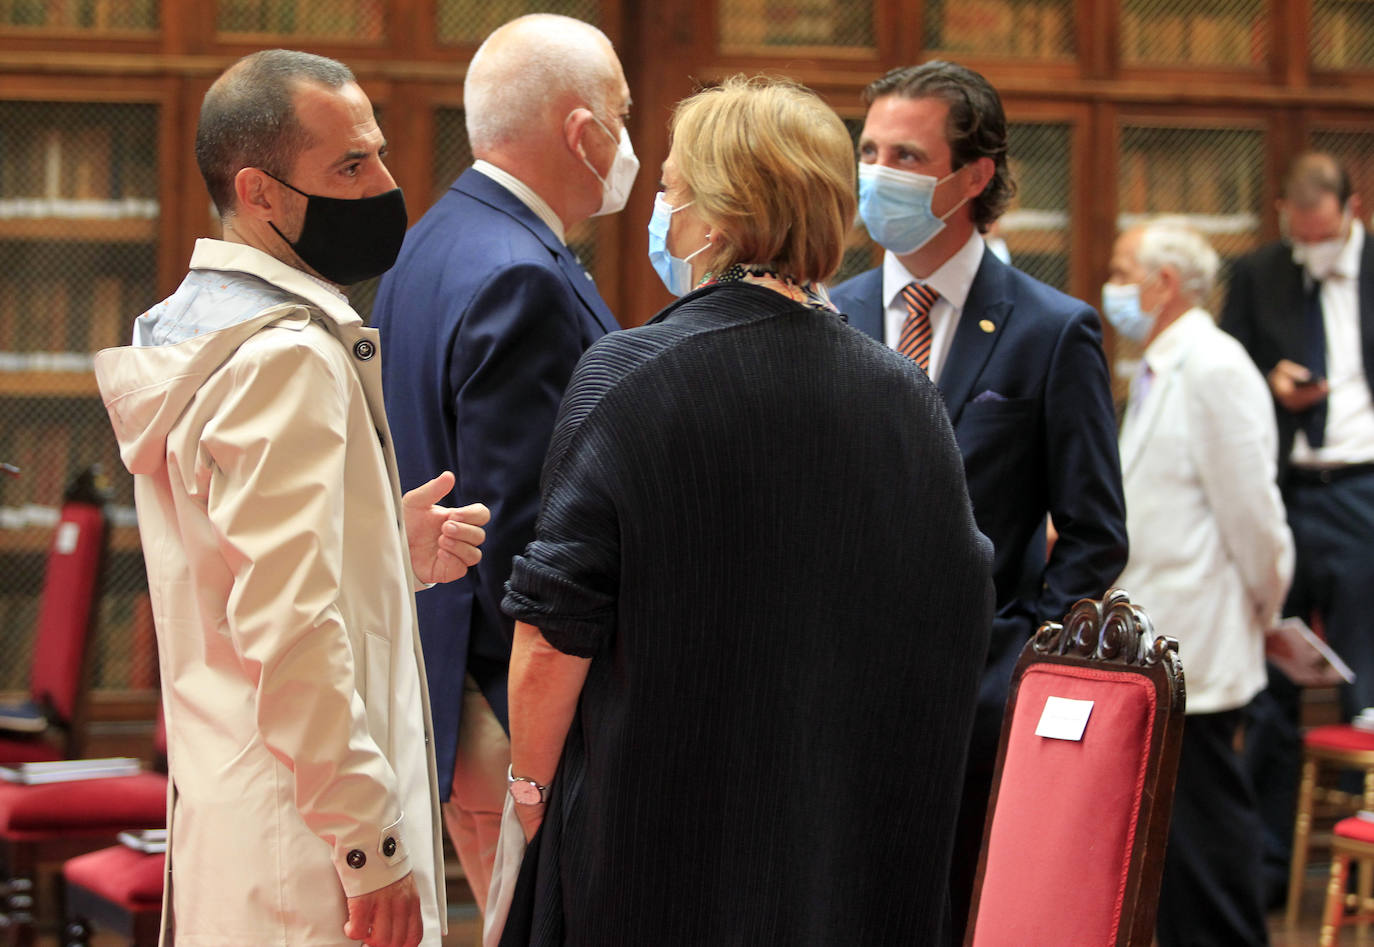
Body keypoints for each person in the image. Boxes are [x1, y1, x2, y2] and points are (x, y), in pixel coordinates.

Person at [493, 75, 994, 946]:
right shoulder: (908, 395)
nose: (659, 207)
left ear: (718, 219)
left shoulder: (630, 375)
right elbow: (956, 612)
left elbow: (551, 632)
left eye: (672, 187)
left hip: (651, 851)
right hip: (842, 858)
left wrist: (528, 799)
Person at [93, 49, 490, 947]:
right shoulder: (284, 354)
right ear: (259, 192)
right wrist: (369, 842)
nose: (387, 184)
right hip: (310, 840)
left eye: (379, 153)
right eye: (351, 166)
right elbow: (290, 622)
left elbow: (237, 570)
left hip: (245, 805)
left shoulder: (200, 325)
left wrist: (382, 549)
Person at [829, 59, 1127, 936]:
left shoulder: (1049, 328)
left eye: (908, 156)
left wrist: (1019, 660)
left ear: (974, 176)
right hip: (838, 699)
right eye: (871, 150)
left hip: (979, 711)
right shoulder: (826, 314)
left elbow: (1094, 532)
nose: (878, 173)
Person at [369, 14, 631, 911]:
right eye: (623, 116)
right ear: (584, 132)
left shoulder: (433, 237)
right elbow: (524, 530)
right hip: (508, 701)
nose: (630, 141)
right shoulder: (522, 271)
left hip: (443, 681)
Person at [1108, 219, 1292, 947]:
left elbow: (1257, 520)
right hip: (1160, 648)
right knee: (1175, 863)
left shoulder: (1215, 365)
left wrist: (1264, 611)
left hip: (1204, 650)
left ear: (1165, 283)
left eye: (1124, 272)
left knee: (1209, 858)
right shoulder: (1157, 367)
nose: (1113, 286)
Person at [1220, 153, 1374, 901]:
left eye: (1323, 236)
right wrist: (1272, 380)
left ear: (1352, 210)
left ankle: (1360, 869)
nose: (1310, 249)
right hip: (1285, 490)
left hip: (1365, 487)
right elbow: (1230, 362)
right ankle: (1269, 872)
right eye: (1298, 234)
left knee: (1361, 679)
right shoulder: (1258, 274)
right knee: (1277, 683)